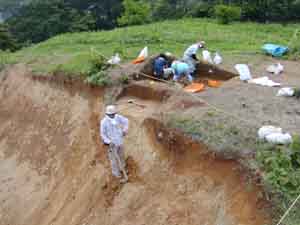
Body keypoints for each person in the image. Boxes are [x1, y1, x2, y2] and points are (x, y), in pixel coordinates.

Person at [100, 105, 129, 182]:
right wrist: (109, 142)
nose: (113, 115)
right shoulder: (104, 122)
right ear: (107, 114)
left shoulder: (117, 117)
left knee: (121, 156)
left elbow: (126, 121)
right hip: (112, 145)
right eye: (111, 114)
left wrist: (125, 130)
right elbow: (103, 134)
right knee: (114, 160)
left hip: (119, 141)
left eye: (113, 114)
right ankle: (117, 174)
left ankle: (123, 169)